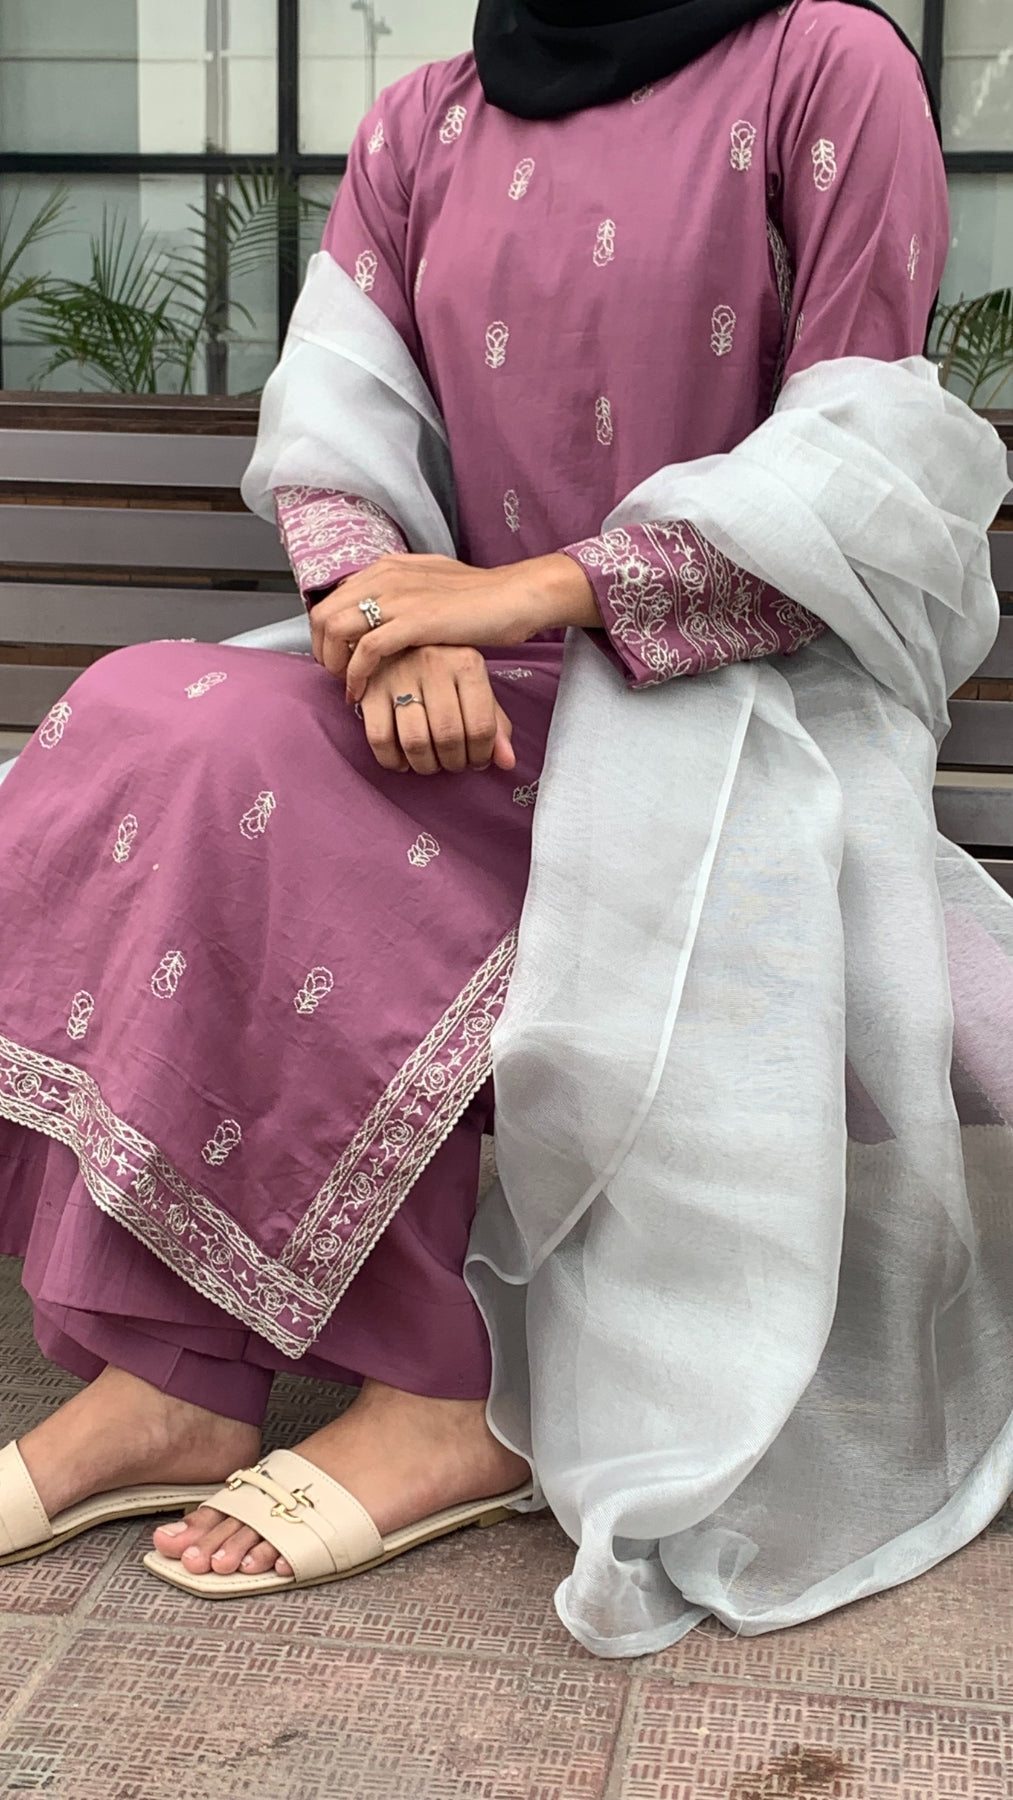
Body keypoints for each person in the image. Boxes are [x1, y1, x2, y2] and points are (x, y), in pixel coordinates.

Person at [0, 0, 1010, 1655]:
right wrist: (378, 622)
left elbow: (862, 476)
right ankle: (169, 1375)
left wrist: (529, 594)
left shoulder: (823, 64)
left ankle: (447, 1390)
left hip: (721, 698)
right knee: (150, 721)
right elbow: (336, 425)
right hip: (461, 670)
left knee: (294, 805)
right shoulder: (427, 117)